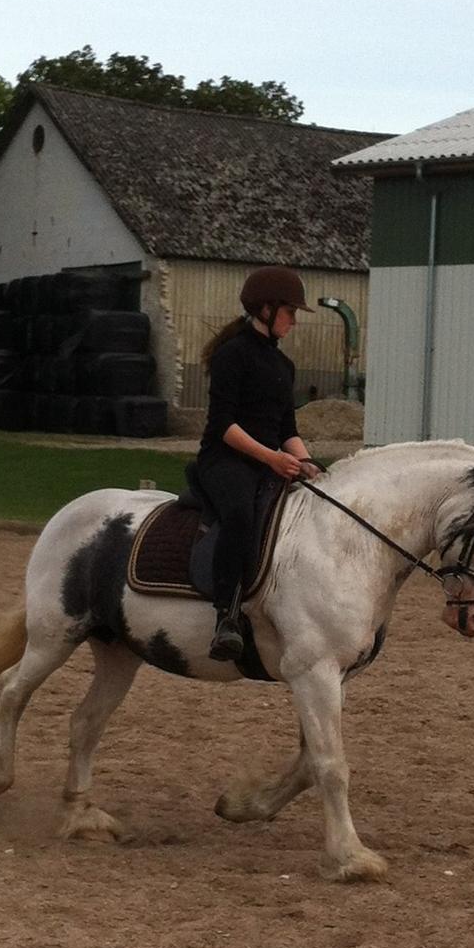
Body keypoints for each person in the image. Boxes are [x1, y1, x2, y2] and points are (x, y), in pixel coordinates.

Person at [197, 265, 322, 661]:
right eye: (290, 312)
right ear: (265, 309)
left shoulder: (283, 366)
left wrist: (309, 464)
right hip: (226, 460)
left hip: (271, 461)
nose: (295, 322)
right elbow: (223, 426)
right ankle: (226, 616)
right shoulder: (231, 356)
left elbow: (287, 427)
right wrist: (272, 459)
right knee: (239, 515)